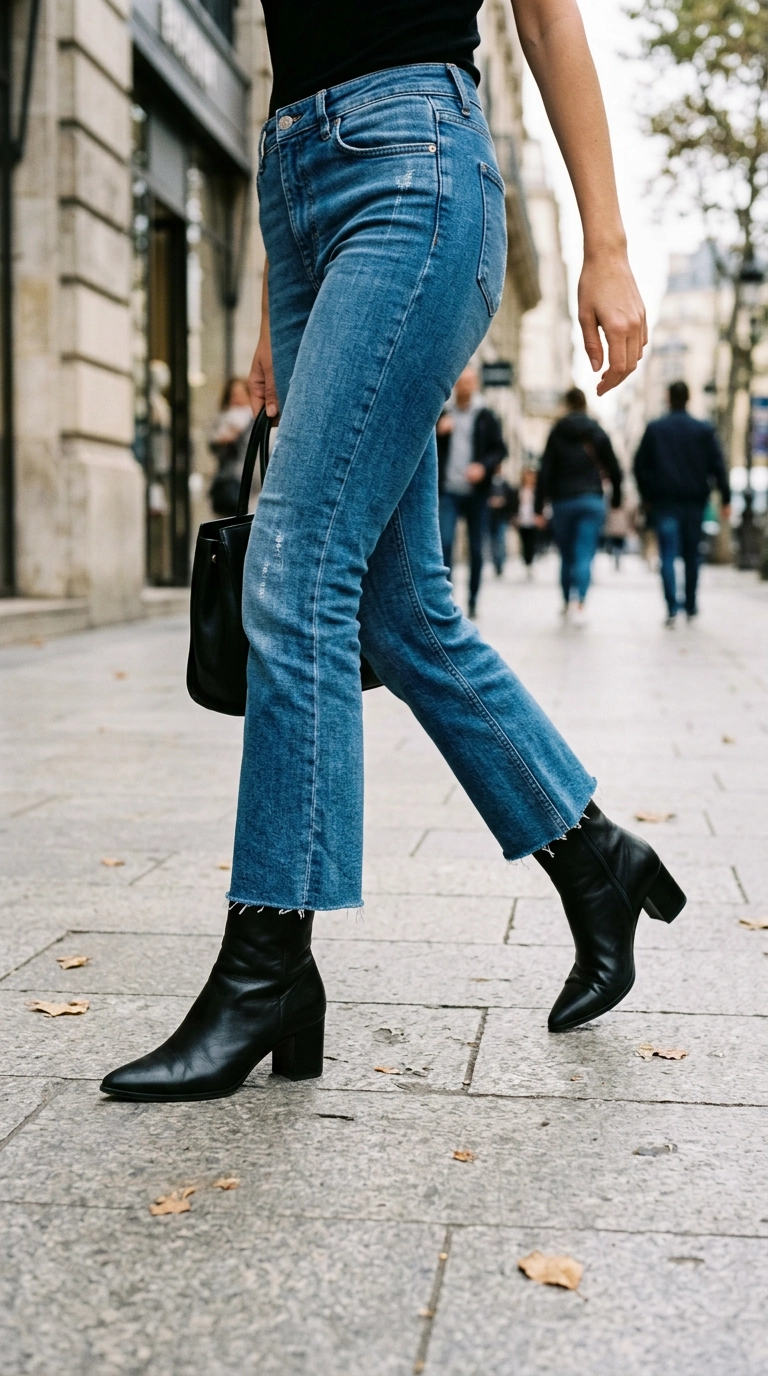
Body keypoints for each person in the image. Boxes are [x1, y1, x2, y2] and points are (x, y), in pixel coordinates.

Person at [101, 0, 686, 1105]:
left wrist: (605, 246)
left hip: (413, 165)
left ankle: (269, 956)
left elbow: (550, 22)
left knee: (297, 566)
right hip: (295, 183)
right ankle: (592, 855)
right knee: (402, 612)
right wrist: (282, 316)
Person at [634, 380, 730, 625]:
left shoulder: (656, 429)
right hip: (695, 502)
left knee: (667, 553)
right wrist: (725, 497)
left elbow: (639, 465)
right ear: (689, 398)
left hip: (664, 502)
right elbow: (718, 466)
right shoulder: (703, 429)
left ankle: (671, 606)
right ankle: (690, 603)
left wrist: (647, 496)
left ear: (668, 398)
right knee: (691, 554)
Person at [536, 387, 622, 625]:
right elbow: (614, 468)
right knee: (585, 554)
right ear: (584, 405)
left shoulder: (557, 431)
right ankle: (581, 604)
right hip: (591, 500)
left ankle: (566, 601)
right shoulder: (597, 431)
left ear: (567, 404)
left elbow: (545, 471)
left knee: (566, 555)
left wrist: (538, 506)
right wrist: (616, 498)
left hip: (563, 501)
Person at [437, 366, 506, 616]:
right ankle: (445, 601)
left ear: (475, 384)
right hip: (448, 491)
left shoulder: (486, 415)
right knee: (445, 543)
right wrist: (436, 430)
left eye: (469, 383)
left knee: (477, 549)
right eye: (460, 383)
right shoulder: (443, 412)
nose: (464, 387)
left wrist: (483, 467)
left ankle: (474, 599)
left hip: (477, 493)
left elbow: (500, 450)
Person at [208, 378, 256, 517]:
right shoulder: (222, 420)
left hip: (250, 484)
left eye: (241, 393)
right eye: (233, 394)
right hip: (228, 483)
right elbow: (213, 446)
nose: (237, 398)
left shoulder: (254, 421)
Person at [515, 467, 539, 576]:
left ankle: (530, 563)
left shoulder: (537, 491)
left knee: (532, 543)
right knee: (524, 543)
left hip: (533, 520)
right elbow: (515, 505)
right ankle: (527, 562)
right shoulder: (520, 490)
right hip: (522, 521)